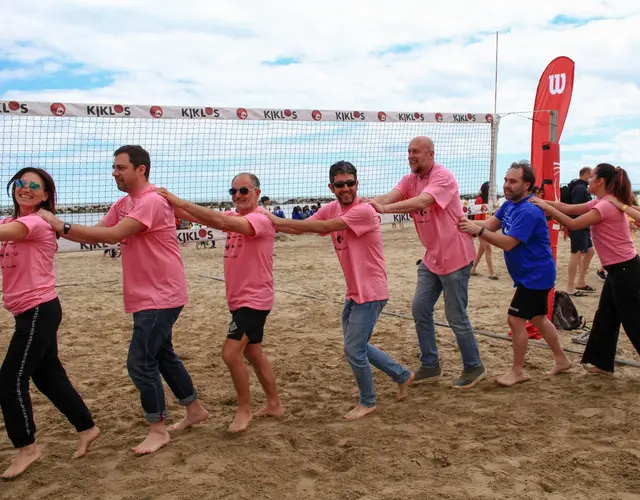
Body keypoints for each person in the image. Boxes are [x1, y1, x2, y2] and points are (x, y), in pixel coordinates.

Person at [38, 146, 208, 455]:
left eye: (120, 167)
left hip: (162, 294)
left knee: (140, 362)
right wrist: (45, 229)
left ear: (140, 169)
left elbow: (115, 234)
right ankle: (194, 409)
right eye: (114, 167)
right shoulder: (125, 202)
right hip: (147, 294)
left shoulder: (152, 201)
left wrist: (57, 223)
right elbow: (98, 231)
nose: (114, 172)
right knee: (161, 354)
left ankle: (158, 429)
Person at [264, 161, 415, 420]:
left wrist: (274, 217)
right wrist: (268, 222)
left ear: (357, 183)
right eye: (340, 184)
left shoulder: (364, 210)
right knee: (356, 346)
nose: (345, 188)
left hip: (372, 291)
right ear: (331, 187)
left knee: (354, 349)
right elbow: (303, 227)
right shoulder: (332, 207)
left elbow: (322, 227)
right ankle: (401, 375)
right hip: (355, 291)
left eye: (350, 183)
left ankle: (368, 401)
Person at [156, 173, 283, 433]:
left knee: (230, 353)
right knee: (253, 352)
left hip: (255, 300)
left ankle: (244, 410)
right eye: (233, 191)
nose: (237, 196)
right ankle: (274, 404)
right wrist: (167, 203)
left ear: (257, 193)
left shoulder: (260, 219)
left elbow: (216, 219)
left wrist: (179, 200)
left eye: (243, 191)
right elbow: (201, 217)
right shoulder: (236, 217)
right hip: (239, 300)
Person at [0, 168, 100, 479]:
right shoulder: (9, 222)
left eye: (34, 186)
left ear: (45, 195)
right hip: (26, 310)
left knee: (9, 381)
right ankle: (86, 426)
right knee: (47, 376)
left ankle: (27, 447)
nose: (25, 189)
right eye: (20, 183)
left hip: (39, 309)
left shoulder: (38, 222)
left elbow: (13, 233)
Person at [367, 136, 486, 389]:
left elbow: (423, 201)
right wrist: (367, 205)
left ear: (430, 154)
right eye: (409, 151)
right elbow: (392, 195)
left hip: (455, 256)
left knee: (455, 315)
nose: (411, 155)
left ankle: (473, 365)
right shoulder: (411, 179)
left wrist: (384, 210)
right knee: (420, 308)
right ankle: (430, 365)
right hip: (432, 257)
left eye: (416, 152)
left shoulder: (442, 176)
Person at [458, 161, 572, 386]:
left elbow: (509, 243)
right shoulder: (509, 205)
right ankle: (561, 359)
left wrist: (478, 230)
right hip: (528, 273)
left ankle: (517, 371)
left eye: (513, 181)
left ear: (527, 184)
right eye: (505, 180)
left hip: (536, 274)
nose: (507, 186)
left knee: (515, 319)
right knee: (539, 318)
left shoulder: (529, 210)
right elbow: (491, 225)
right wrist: (465, 227)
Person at [530, 163, 640, 374]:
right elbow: (570, 209)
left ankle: (601, 363)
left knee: (634, 320)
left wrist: (545, 208)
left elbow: (574, 224)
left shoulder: (606, 206)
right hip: (618, 270)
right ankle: (601, 364)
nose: (588, 180)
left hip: (627, 270)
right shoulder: (601, 202)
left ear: (600, 182)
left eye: (592, 178)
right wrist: (541, 201)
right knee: (606, 317)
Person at [565, 167, 596, 296]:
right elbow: (577, 208)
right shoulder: (580, 188)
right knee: (575, 254)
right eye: (592, 175)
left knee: (589, 252)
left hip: (582, 226)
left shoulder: (579, 187)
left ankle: (581, 281)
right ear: (587, 174)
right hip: (578, 225)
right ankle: (570, 287)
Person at [469, 182, 498, 280]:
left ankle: (473, 269)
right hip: (480, 226)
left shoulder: (492, 200)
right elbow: (477, 215)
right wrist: (478, 228)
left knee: (482, 249)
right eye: (491, 189)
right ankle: (492, 273)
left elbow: (493, 214)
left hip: (488, 227)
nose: (493, 191)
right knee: (488, 248)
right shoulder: (480, 199)